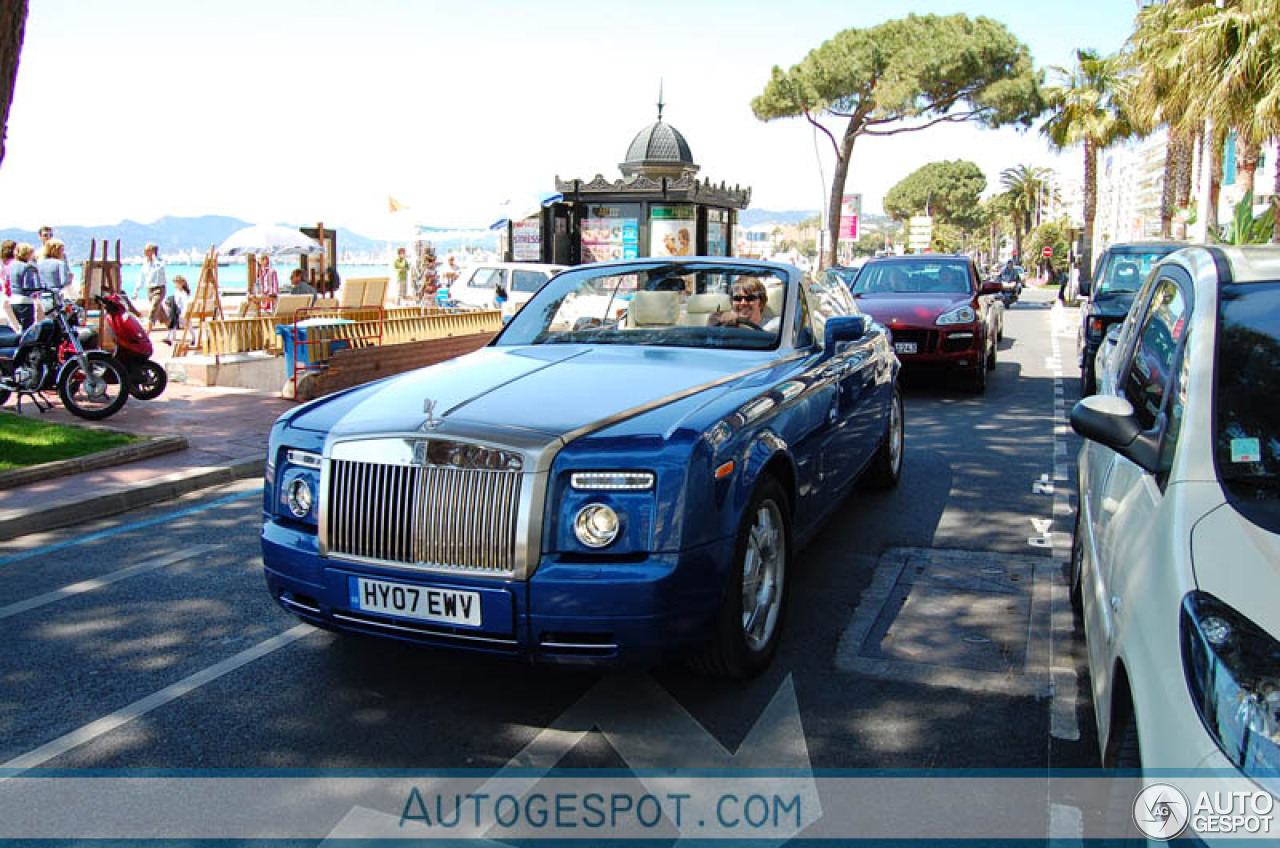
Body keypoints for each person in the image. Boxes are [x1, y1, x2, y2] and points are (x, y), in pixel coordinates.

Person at [708, 278, 779, 331]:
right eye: (737, 298)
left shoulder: (775, 325)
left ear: (761, 302)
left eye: (750, 298)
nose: (743, 303)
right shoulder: (722, 323)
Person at [131, 243, 169, 332]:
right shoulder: (145, 264)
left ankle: (146, 334)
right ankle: (171, 330)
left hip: (159, 289)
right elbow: (141, 278)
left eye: (147, 250)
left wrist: (154, 258)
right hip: (149, 290)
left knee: (152, 311)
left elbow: (160, 268)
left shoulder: (160, 262)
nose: (145, 252)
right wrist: (136, 290)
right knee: (160, 313)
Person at [8, 242, 42, 330]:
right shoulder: (27, 267)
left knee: (17, 327)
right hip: (25, 300)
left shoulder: (11, 265)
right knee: (27, 328)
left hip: (13, 299)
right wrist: (39, 290)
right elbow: (27, 287)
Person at [167, 274, 192, 345]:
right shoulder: (176, 292)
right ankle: (170, 338)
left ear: (181, 283)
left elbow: (185, 304)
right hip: (177, 311)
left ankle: (170, 338)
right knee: (173, 321)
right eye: (175, 283)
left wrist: (184, 313)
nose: (175, 285)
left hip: (182, 312)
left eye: (177, 283)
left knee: (187, 325)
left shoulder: (184, 293)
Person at [1, 239, 17, 330]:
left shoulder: (3, 264)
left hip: (5, 295)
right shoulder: (15, 263)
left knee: (11, 322)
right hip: (13, 294)